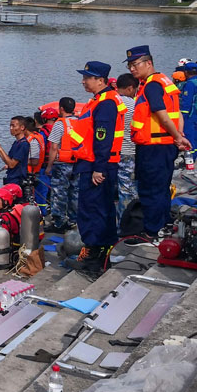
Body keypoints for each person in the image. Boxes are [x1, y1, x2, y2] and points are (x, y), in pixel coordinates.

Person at [126, 45, 191, 242]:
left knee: (150, 190)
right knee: (161, 188)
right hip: (165, 145)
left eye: (135, 64)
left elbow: (162, 115)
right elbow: (177, 113)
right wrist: (178, 135)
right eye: (130, 65)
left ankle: (151, 232)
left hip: (153, 147)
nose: (132, 69)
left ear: (149, 63)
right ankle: (162, 226)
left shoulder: (152, 85)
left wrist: (178, 137)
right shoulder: (165, 81)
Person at [68, 61, 125, 276]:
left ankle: (93, 258)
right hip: (96, 162)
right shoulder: (101, 99)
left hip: (97, 165)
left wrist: (99, 168)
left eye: (87, 77)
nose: (83, 81)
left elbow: (103, 137)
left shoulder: (106, 103)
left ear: (100, 80)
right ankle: (101, 254)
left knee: (92, 211)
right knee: (102, 210)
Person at [44, 97, 82, 233]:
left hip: (62, 164)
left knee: (59, 193)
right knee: (75, 192)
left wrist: (49, 166)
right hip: (78, 162)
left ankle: (59, 222)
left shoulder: (59, 124)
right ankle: (73, 220)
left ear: (61, 109)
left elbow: (54, 147)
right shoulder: (80, 122)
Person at [114, 74, 139, 224]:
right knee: (127, 189)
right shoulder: (134, 104)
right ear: (130, 88)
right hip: (128, 151)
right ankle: (124, 224)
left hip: (112, 152)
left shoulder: (111, 102)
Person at [177, 60, 197, 163]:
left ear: (186, 72)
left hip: (190, 114)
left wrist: (182, 118)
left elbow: (186, 102)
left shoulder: (190, 84)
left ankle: (190, 158)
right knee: (195, 134)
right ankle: (195, 153)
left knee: (188, 135)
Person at [0, 116, 30, 188]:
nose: (11, 128)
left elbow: (11, 164)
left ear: (22, 127)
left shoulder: (24, 144)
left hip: (17, 181)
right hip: (10, 178)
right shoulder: (16, 143)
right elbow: (8, 161)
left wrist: (0, 147)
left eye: (13, 126)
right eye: (10, 126)